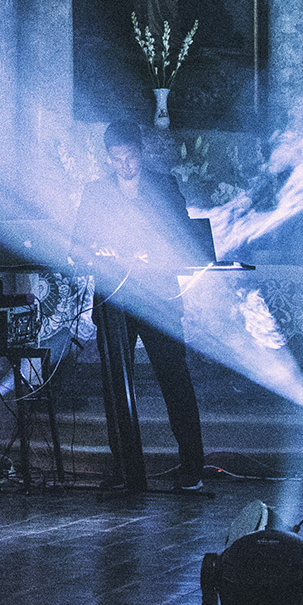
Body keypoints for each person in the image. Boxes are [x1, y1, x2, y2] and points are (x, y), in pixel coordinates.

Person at [71, 119, 209, 491]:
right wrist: (98, 251)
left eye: (130, 157)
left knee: (174, 377)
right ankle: (126, 468)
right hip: (114, 298)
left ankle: (192, 467)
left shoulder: (164, 186)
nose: (125, 165)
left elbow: (185, 238)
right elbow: (77, 245)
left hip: (159, 297)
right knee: (116, 384)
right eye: (117, 159)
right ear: (107, 158)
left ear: (140, 152)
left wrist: (155, 253)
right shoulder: (95, 192)